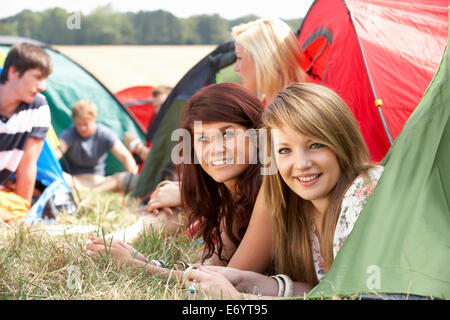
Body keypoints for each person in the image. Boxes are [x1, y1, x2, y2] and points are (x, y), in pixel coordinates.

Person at [184, 83, 384, 299]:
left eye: (315, 145)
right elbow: (325, 289)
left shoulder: (364, 195)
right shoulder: (300, 202)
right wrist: (246, 281)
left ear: (342, 141)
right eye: (285, 150)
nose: (300, 164)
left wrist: (240, 299)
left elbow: (362, 295)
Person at [86, 82, 273, 273]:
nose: (215, 149)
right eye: (202, 138)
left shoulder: (269, 194)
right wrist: (146, 262)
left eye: (227, 134)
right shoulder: (237, 196)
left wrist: (136, 266)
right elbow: (211, 270)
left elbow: (225, 285)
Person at [0, 43, 52, 223]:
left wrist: (21, 214)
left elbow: (28, 165)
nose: (42, 86)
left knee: (13, 210)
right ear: (14, 72)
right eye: (37, 77)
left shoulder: (39, 107)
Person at [94, 85, 173, 193]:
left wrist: (136, 145)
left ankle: (87, 199)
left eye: (162, 105)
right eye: (155, 107)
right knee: (115, 179)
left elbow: (157, 161)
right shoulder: (159, 126)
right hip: (151, 177)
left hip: (163, 182)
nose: (158, 110)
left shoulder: (175, 128)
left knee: (117, 180)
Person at [54, 99, 137, 190]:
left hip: (100, 182)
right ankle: (91, 191)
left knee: (122, 178)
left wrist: (131, 177)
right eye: (78, 124)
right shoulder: (69, 134)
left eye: (86, 124)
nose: (82, 128)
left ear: (94, 120)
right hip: (74, 181)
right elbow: (55, 155)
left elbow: (126, 157)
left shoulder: (104, 133)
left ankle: (94, 191)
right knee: (59, 176)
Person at [232, 18, 308, 104]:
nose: (236, 68)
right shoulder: (304, 102)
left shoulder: (287, 112)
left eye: (239, 58)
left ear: (262, 61)